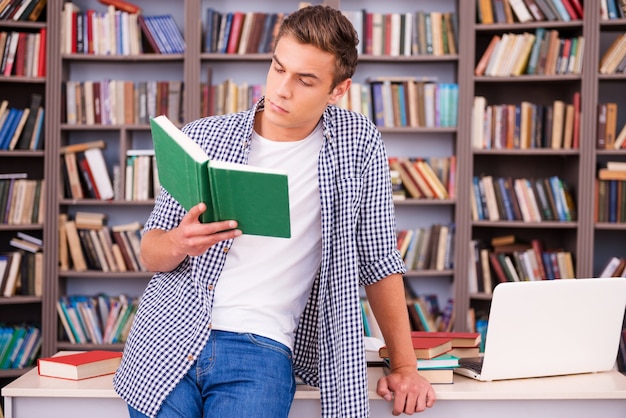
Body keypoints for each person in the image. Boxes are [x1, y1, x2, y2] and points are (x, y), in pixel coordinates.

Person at [113, 5, 436, 418]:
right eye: (278, 68)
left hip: (261, 348)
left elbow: (378, 260)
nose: (282, 89)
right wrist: (179, 241)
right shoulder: (204, 136)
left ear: (338, 90)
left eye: (305, 80)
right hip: (167, 337)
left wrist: (406, 367)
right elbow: (150, 252)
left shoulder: (357, 144)